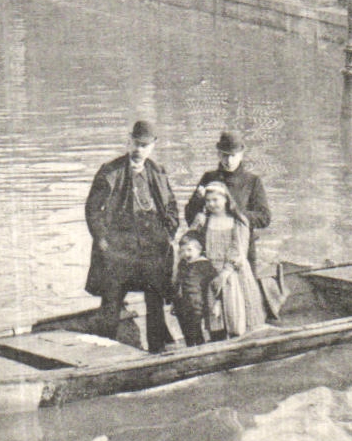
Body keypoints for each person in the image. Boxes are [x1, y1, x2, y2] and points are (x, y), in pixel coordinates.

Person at [84, 120, 179, 352]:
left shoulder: (158, 172)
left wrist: (169, 232)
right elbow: (93, 209)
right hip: (120, 250)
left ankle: (157, 351)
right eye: (136, 143)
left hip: (151, 249)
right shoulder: (110, 171)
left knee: (155, 300)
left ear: (153, 145)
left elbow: (172, 207)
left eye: (145, 145)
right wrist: (102, 239)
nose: (140, 149)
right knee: (111, 301)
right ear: (129, 141)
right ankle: (105, 352)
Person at [183, 131, 278, 319]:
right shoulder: (208, 178)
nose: (228, 160)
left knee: (240, 299)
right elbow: (190, 217)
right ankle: (213, 335)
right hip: (212, 247)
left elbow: (264, 217)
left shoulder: (252, 181)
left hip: (241, 248)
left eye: (232, 155)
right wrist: (197, 202)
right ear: (218, 154)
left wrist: (234, 214)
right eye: (224, 155)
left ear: (241, 154)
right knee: (211, 295)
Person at [187, 181, 266, 339]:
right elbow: (191, 241)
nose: (211, 204)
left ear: (225, 200)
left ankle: (241, 343)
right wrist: (195, 226)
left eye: (215, 200)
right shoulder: (206, 221)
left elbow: (238, 250)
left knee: (235, 315)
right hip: (211, 271)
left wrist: (224, 274)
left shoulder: (238, 221)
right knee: (215, 318)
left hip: (233, 273)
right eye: (208, 201)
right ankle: (218, 342)